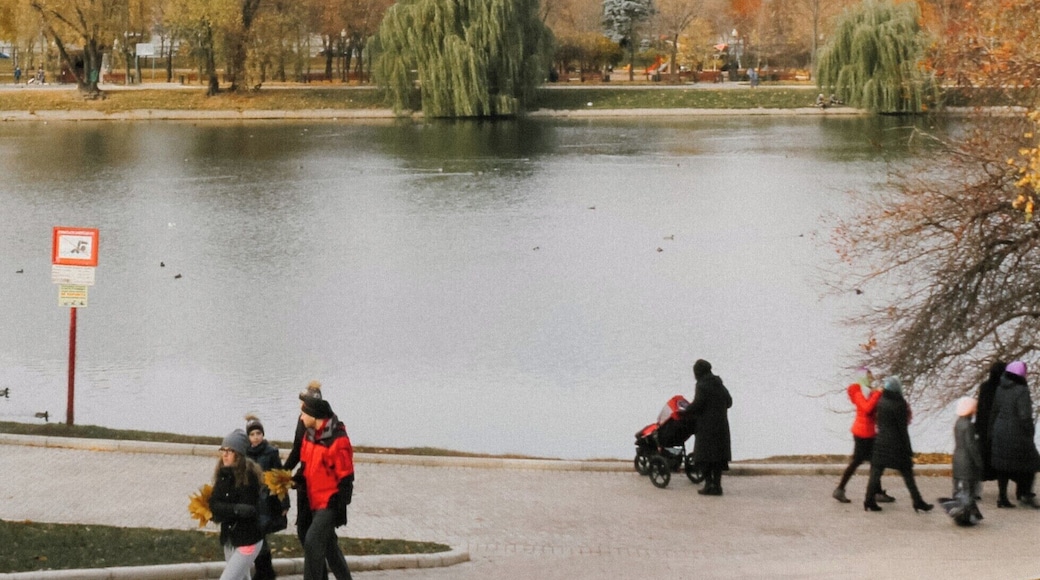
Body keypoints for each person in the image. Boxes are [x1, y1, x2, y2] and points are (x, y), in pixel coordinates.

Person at [298, 389, 355, 580]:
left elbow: (346, 478)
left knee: (312, 542)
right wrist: (292, 480)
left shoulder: (338, 441)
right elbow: (305, 468)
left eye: (304, 414)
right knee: (330, 548)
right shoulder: (309, 436)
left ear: (314, 415)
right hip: (314, 501)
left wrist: (339, 508)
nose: (301, 418)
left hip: (329, 504)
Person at [863, 377, 933, 513]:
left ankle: (868, 501)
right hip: (896, 445)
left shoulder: (881, 402)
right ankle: (918, 501)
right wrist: (908, 449)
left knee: (875, 474)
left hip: (881, 442)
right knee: (907, 475)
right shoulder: (899, 404)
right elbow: (902, 429)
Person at [832, 367, 894, 504]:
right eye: (869, 376)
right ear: (863, 378)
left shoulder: (867, 392)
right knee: (858, 462)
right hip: (862, 433)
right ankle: (840, 489)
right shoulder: (859, 392)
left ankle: (875, 492)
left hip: (869, 432)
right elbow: (866, 409)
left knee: (874, 462)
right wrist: (877, 394)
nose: (872, 379)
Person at [209, 429, 265, 580]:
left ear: (239, 454)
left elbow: (247, 510)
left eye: (230, 451)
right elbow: (214, 504)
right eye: (223, 450)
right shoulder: (222, 474)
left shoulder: (249, 476)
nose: (225, 454)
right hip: (229, 539)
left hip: (248, 540)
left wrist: (227, 509)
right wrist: (232, 509)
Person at [989, 360, 1040, 508]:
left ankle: (1002, 498)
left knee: (1003, 464)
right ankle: (1025, 494)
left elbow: (995, 410)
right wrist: (1030, 431)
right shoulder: (1021, 390)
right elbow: (1024, 415)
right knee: (1032, 462)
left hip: (1000, 430)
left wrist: (992, 431)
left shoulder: (1000, 388)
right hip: (1016, 432)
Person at [245, 414, 288, 580]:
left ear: (263, 435)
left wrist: (284, 503)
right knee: (256, 536)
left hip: (266, 502)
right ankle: (265, 572)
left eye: (258, 434)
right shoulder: (244, 453)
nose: (256, 438)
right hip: (251, 501)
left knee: (259, 535)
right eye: (252, 434)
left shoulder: (271, 453)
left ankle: (265, 572)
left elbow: (280, 477)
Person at [687, 359, 732, 496]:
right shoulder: (719, 384)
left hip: (706, 427)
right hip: (721, 426)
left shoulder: (702, 385)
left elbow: (698, 404)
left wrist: (686, 409)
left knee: (703, 456)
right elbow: (729, 402)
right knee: (718, 458)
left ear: (698, 372)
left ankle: (708, 485)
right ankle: (717, 486)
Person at [939, 397, 984, 526]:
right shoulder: (968, 425)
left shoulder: (958, 423)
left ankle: (970, 514)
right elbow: (971, 446)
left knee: (960, 488)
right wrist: (979, 462)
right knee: (968, 490)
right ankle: (965, 516)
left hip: (958, 459)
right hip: (967, 463)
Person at [974, 361, 1006, 485]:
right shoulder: (1003, 389)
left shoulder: (985, 387)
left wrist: (977, 427)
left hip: (984, 427)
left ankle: (976, 488)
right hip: (999, 427)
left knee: (983, 458)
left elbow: (981, 408)